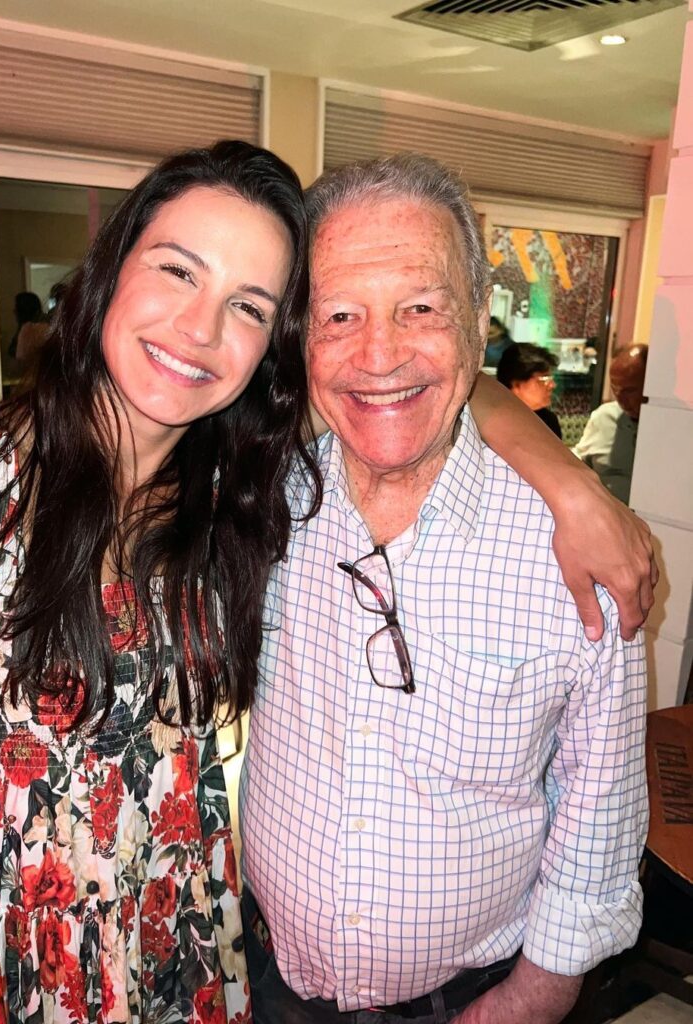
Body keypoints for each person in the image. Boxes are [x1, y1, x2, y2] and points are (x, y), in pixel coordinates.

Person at [0, 140, 321, 1024]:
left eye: (248, 306)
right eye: (177, 270)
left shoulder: (239, 509)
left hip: (173, 952)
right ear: (111, 269)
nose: (201, 328)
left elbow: (411, 376)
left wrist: (568, 485)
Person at [239, 154, 649, 1024]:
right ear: (301, 336)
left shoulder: (573, 551)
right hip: (268, 980)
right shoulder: (258, 508)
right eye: (339, 314)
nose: (378, 354)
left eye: (420, 307)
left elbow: (599, 799)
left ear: (475, 324)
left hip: (471, 1002)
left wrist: (536, 994)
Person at [573, 344, 648, 504]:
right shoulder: (603, 416)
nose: (620, 398)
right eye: (615, 389)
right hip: (602, 514)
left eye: (629, 390)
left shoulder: (673, 426)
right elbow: (579, 461)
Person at [497, 341, 562, 438]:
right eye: (544, 379)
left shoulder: (548, 420)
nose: (552, 385)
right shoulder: (494, 420)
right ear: (516, 384)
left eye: (550, 378)